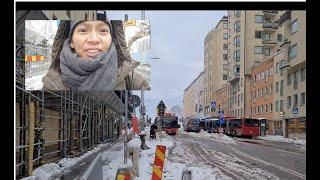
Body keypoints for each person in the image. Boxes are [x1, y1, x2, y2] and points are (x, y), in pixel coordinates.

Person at [42, 20, 150, 90]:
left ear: (111, 38)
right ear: (71, 42)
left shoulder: (131, 79)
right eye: (83, 30)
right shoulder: (51, 84)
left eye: (103, 30)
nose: (94, 39)